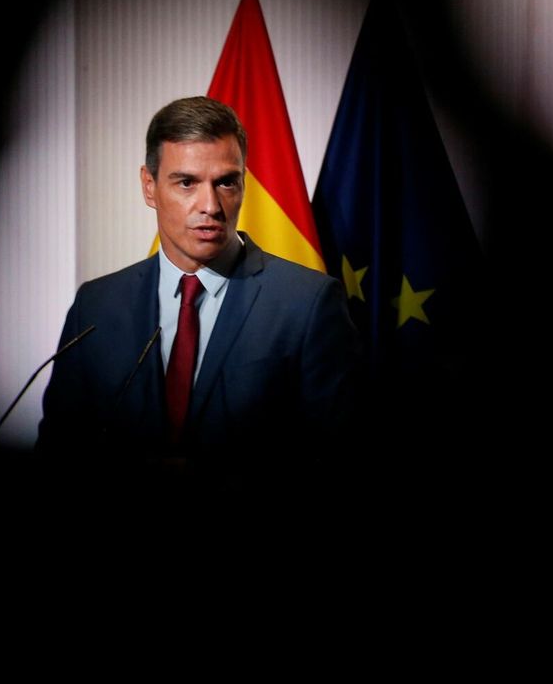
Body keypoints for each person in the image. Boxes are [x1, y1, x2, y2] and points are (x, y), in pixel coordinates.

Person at [36, 96, 360, 498]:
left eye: (226, 182)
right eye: (186, 183)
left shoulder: (308, 303)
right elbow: (59, 454)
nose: (210, 206)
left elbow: (340, 463)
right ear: (149, 186)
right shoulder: (96, 305)